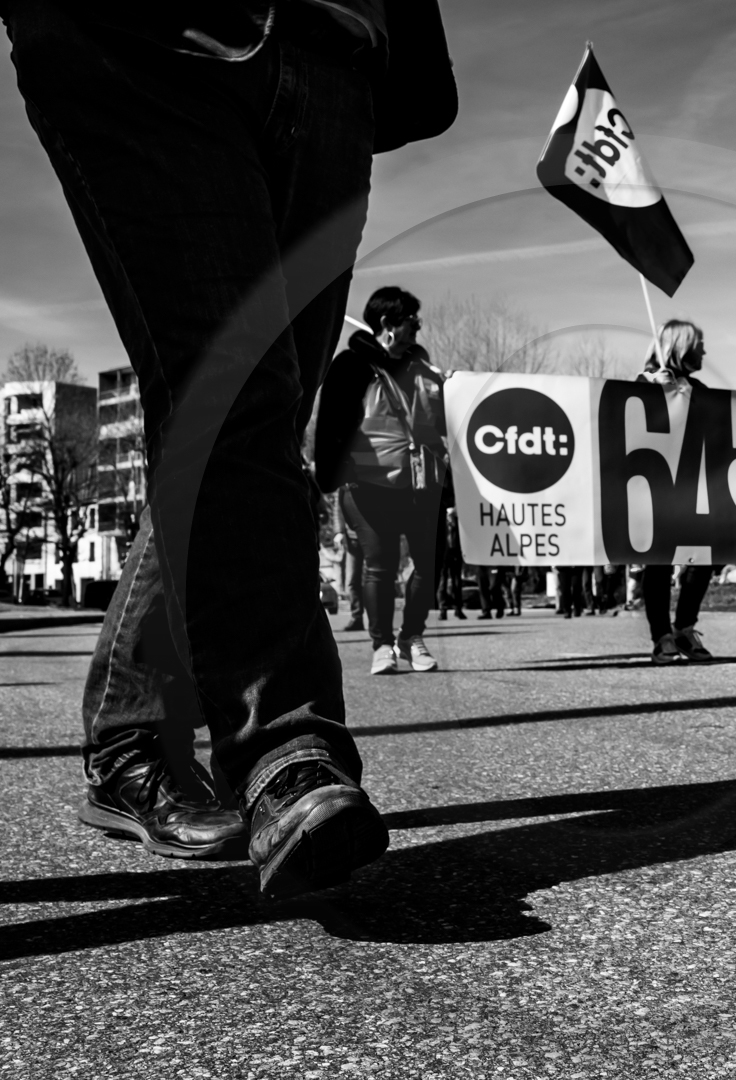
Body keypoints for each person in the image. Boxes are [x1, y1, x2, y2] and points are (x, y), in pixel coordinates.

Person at [6, 0, 455, 897]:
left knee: (252, 425)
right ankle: (284, 748)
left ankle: (128, 735)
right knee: (233, 400)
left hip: (335, 55)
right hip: (148, 30)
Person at [315, 287, 449, 676]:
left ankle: (412, 637)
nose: (418, 328)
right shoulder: (350, 367)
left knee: (429, 565)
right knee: (380, 566)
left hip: (423, 485)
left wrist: (455, 389)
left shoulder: (425, 371)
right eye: (412, 321)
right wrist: (333, 477)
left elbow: (446, 425)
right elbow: (330, 425)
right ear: (388, 323)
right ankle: (382, 645)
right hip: (368, 487)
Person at [637, 321, 715, 665]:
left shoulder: (700, 388)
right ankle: (662, 636)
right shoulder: (643, 383)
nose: (704, 351)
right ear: (681, 346)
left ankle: (684, 627)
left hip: (696, 484)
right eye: (699, 344)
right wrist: (653, 394)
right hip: (656, 485)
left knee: (705, 556)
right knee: (659, 561)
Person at [334, 485, 364, 631]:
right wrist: (339, 531)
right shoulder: (342, 486)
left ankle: (379, 621)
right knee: (352, 580)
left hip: (371, 533)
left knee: (375, 576)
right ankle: (357, 617)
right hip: (352, 538)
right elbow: (337, 508)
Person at [437, 504, 466, 621]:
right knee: (442, 584)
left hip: (455, 555)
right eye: (449, 515)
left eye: (452, 515)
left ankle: (458, 609)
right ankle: (442, 610)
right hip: (443, 556)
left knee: (457, 583)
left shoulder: (459, 526)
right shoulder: (441, 525)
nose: (451, 517)